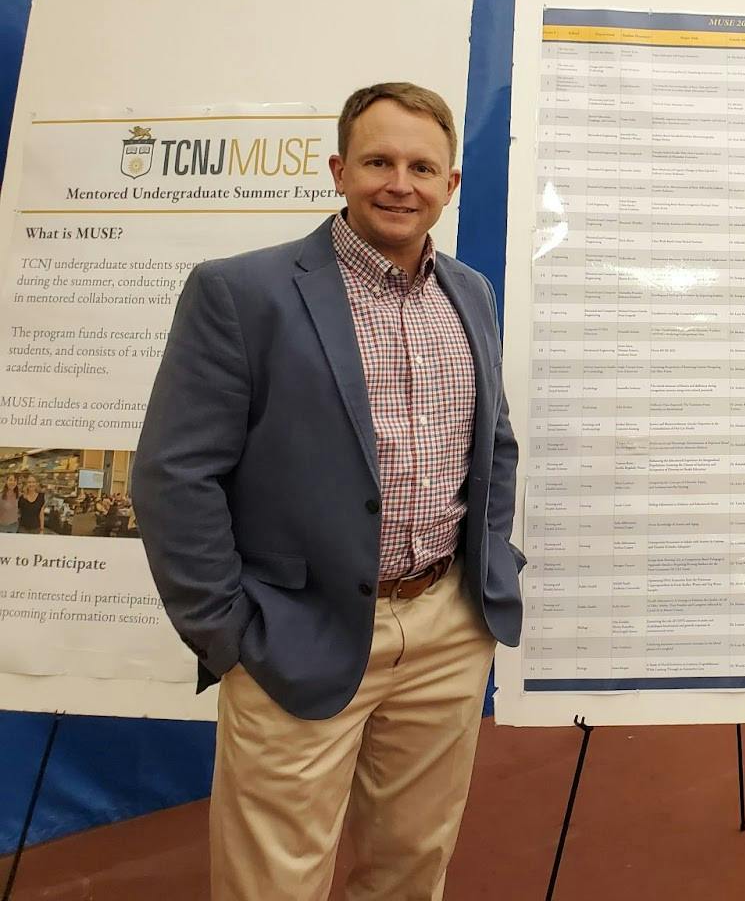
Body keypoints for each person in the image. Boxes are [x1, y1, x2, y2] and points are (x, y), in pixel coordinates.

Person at [133, 82, 524, 901]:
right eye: (378, 160)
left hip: (447, 630)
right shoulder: (242, 292)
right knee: (273, 884)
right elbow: (175, 473)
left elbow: (494, 446)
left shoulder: (472, 294)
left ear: (451, 186)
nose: (399, 183)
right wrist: (228, 631)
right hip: (296, 634)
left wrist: (487, 578)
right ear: (341, 170)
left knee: (412, 869)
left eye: (423, 167)